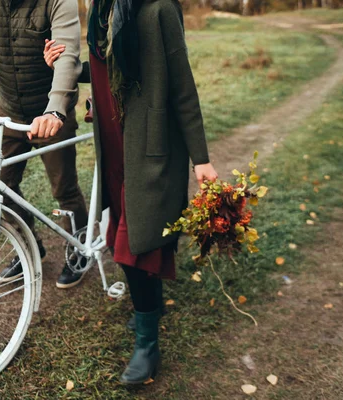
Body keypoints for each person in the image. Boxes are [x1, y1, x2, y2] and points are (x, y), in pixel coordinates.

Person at [42, 0, 218, 385]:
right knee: (123, 232)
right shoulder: (102, 13)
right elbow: (108, 69)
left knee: (138, 245)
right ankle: (147, 313)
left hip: (150, 148)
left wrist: (200, 159)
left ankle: (147, 346)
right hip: (115, 145)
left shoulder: (158, 10)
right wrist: (62, 64)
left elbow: (182, 86)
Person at [0, 0, 89, 289]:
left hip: (52, 113)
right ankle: (29, 247)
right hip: (9, 111)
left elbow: (68, 56)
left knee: (64, 188)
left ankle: (80, 248)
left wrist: (55, 109)